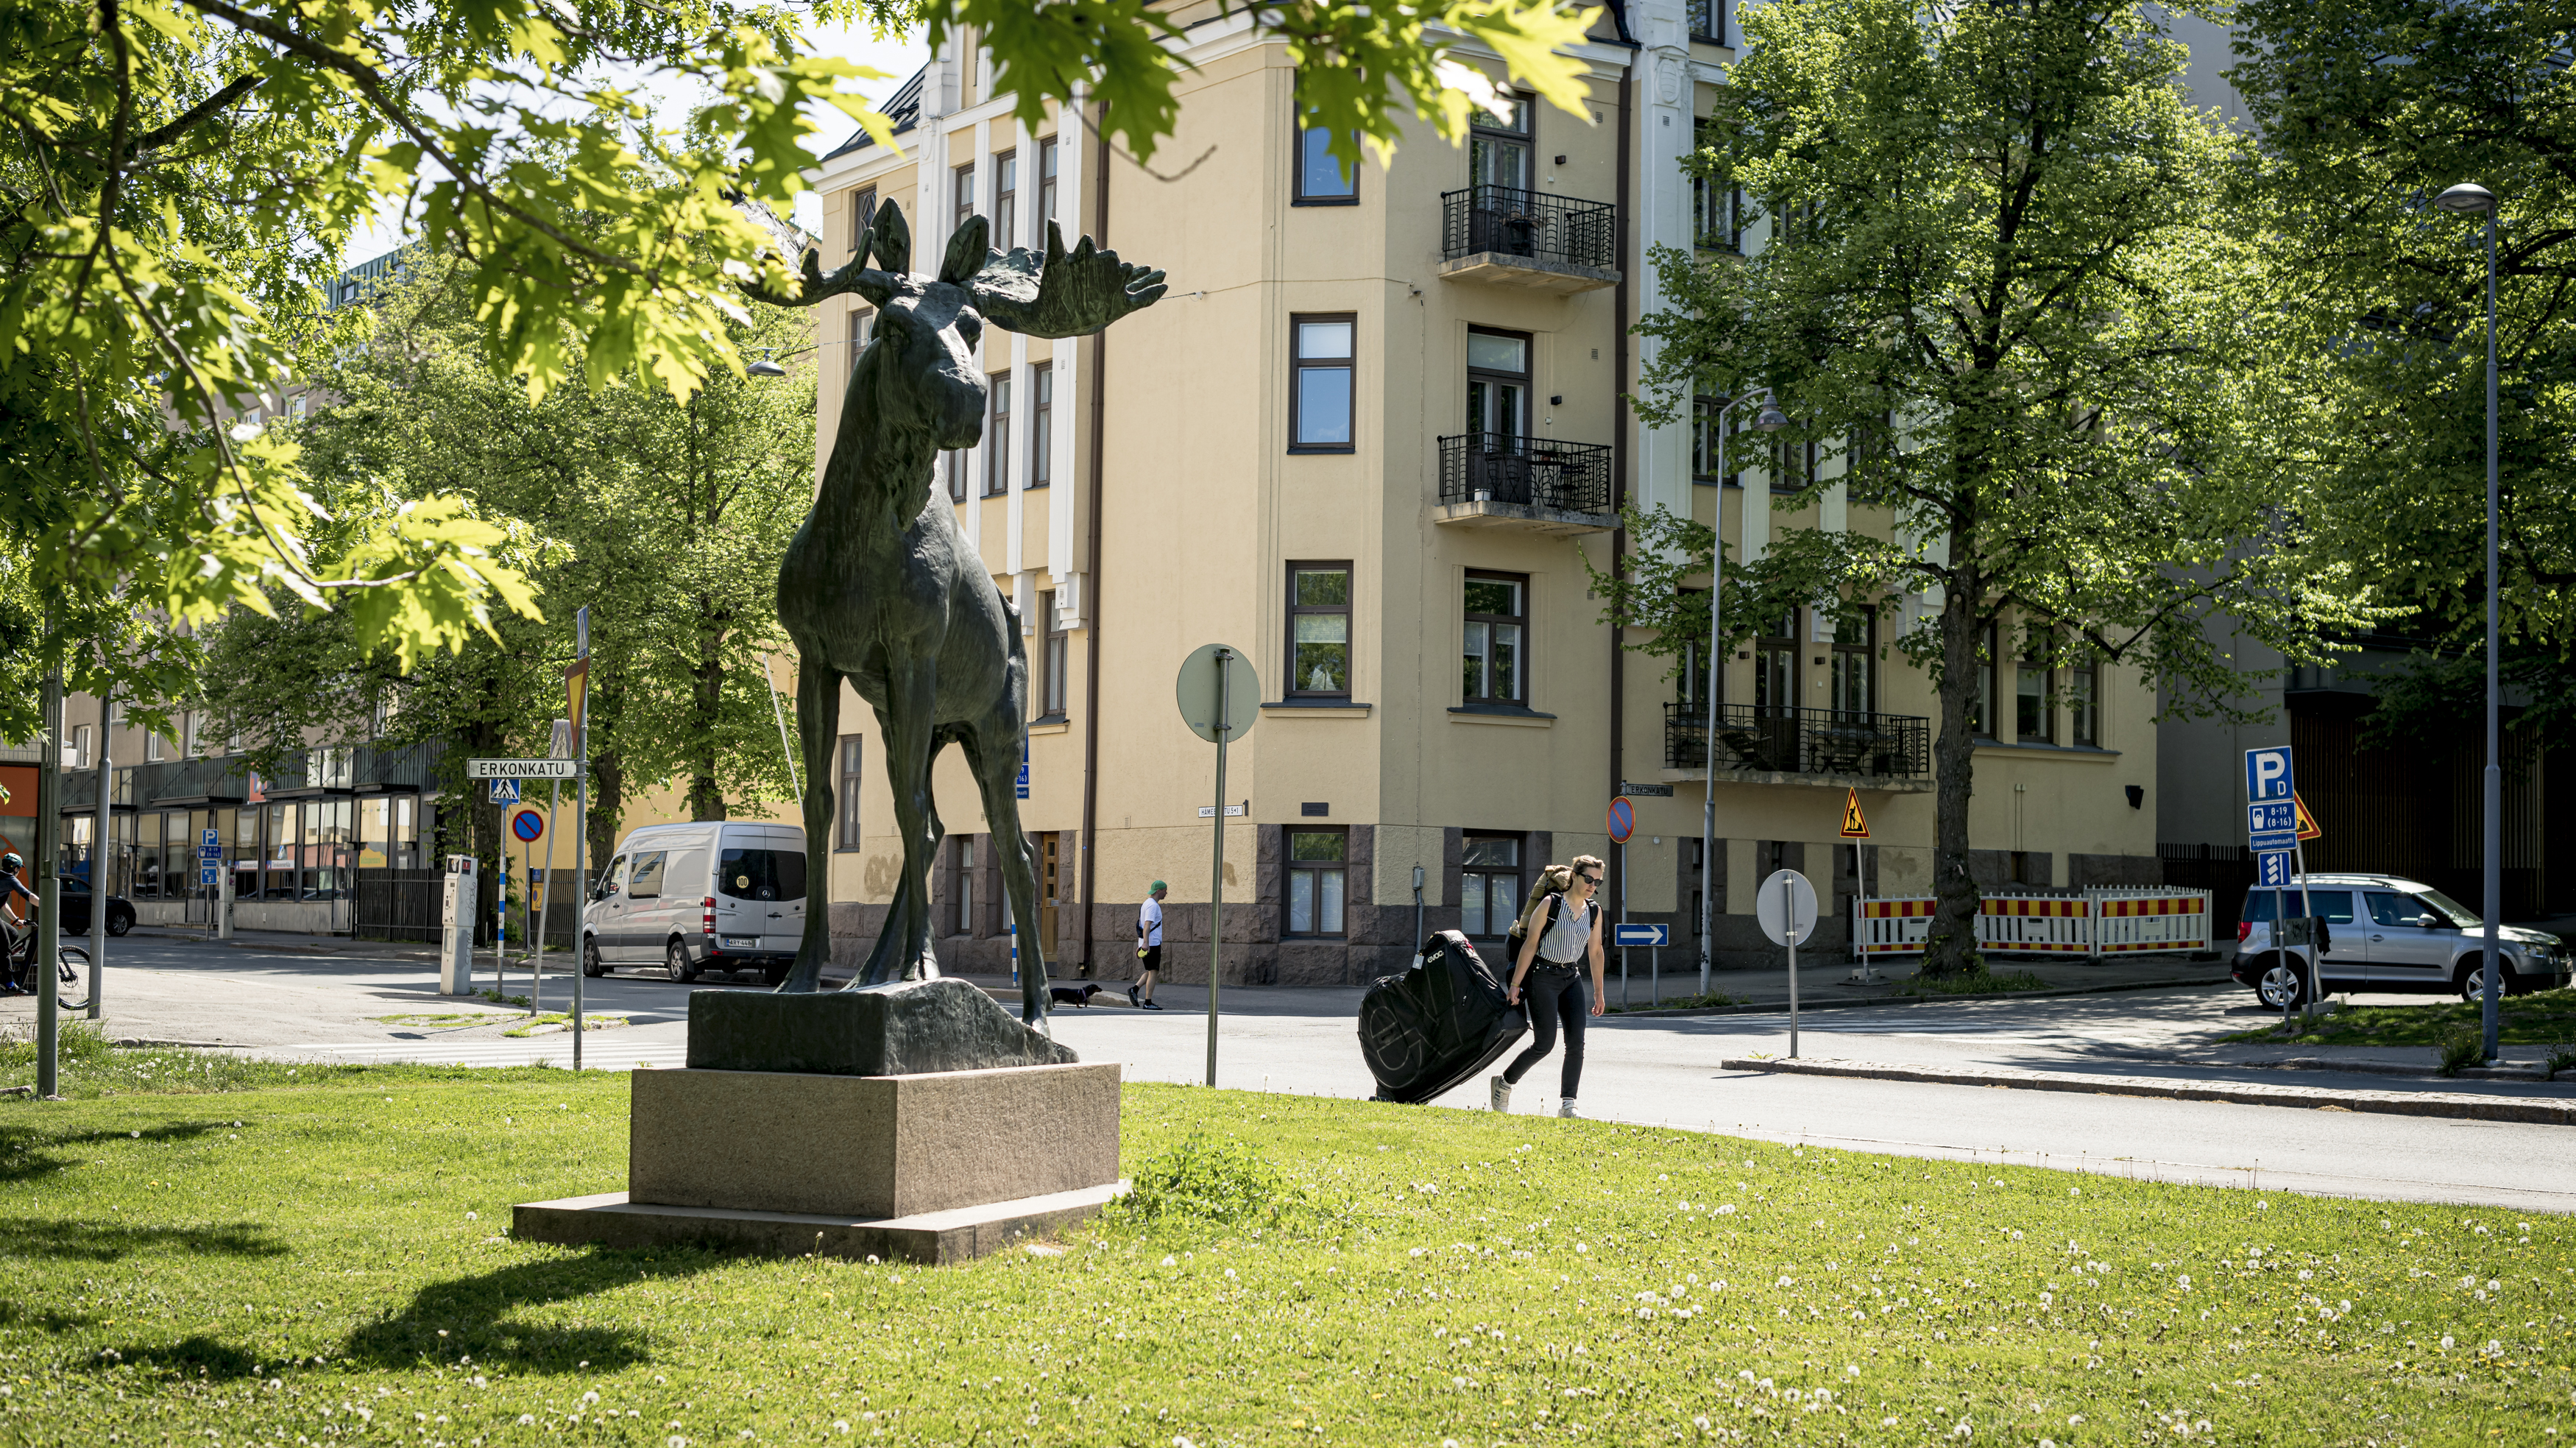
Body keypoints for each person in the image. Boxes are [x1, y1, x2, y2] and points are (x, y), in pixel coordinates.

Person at [1490, 854, 1607, 1118]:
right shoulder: (1550, 904)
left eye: (1598, 881)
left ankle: (1568, 1104)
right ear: (1575, 876)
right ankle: (1504, 1084)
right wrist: (1516, 985)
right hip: (1542, 976)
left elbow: (1596, 951)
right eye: (1589, 879)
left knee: (1576, 1042)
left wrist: (1599, 992)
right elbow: (1530, 946)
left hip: (1571, 978)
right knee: (1544, 1044)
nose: (1593, 885)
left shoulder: (1594, 911)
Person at [1130, 880, 1167, 1010]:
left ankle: (1134, 989)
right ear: (1158, 891)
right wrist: (1146, 943)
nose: (1166, 893)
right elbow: (1146, 925)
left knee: (1152, 971)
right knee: (1153, 971)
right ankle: (1148, 1002)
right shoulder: (1153, 906)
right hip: (1152, 943)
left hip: (1148, 942)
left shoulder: (1146, 903)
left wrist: (1142, 943)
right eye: (1165, 890)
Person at [0, 852, 34, 995]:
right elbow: (28, 896)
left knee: (13, 933)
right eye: (19, 868)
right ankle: (8, 983)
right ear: (15, 868)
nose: (19, 871)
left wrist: (15, 920)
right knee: (5, 948)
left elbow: (2, 904)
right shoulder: (10, 879)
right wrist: (48, 904)